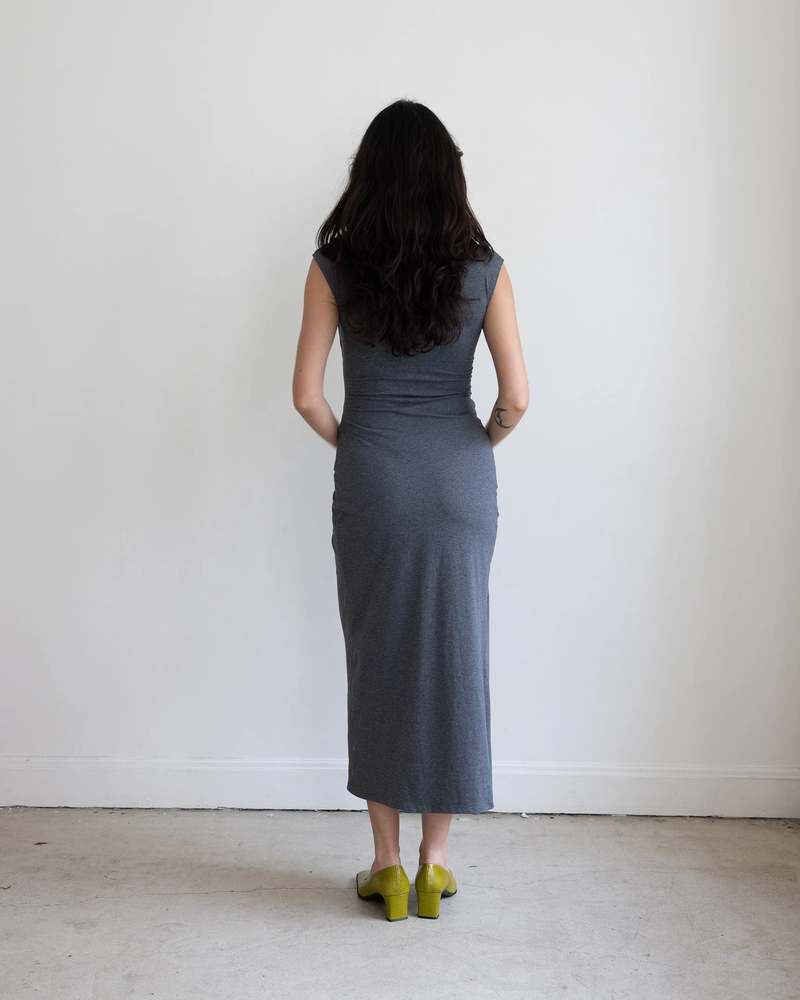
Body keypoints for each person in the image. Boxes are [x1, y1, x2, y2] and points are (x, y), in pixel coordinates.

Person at [292, 99, 528, 920]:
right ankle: (435, 865)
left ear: (369, 175)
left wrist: (361, 447)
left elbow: (307, 396)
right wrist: (474, 447)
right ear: (446, 176)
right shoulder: (485, 268)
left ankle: (385, 865)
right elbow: (517, 398)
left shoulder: (334, 266)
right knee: (456, 656)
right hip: (460, 479)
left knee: (379, 658)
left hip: (373, 479)